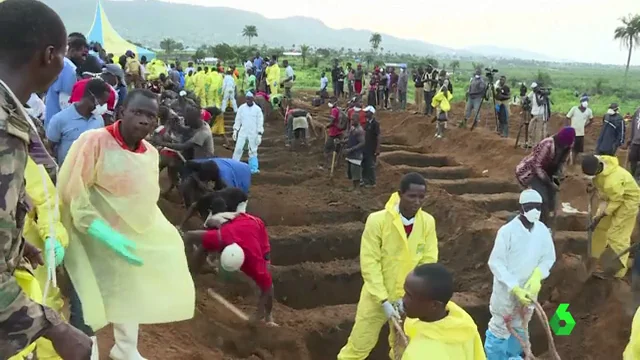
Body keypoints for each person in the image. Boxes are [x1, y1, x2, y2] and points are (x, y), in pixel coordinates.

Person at [58, 89, 195, 359]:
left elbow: (143, 201)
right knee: (86, 296)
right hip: (88, 235)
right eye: (138, 112)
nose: (144, 120)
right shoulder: (94, 141)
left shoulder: (150, 155)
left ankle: (125, 348)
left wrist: (160, 236)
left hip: (124, 235)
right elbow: (73, 192)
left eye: (151, 116)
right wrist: (100, 231)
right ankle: (87, 351)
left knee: (128, 289)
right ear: (122, 112)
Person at [0, 1, 93, 358]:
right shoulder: (4, 130)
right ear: (49, 56)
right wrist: (52, 327)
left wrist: (16, 245)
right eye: (64, 57)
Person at [337, 173, 438, 359]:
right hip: (376, 298)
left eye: (421, 197)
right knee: (358, 346)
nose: (417, 202)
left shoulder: (427, 223)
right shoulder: (377, 221)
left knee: (403, 349)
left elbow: (428, 261)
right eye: (412, 196)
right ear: (400, 194)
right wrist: (383, 300)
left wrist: (412, 296)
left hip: (409, 300)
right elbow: (370, 262)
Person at [485, 189, 556, 360]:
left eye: (538, 207)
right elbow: (496, 262)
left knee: (520, 326)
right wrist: (514, 287)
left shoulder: (542, 231)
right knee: (500, 327)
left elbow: (548, 257)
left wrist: (537, 276)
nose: (535, 211)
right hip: (506, 293)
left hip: (529, 291)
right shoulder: (507, 232)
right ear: (521, 208)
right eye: (530, 207)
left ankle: (514, 356)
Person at [183, 199, 275, 325]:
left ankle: (269, 317)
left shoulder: (253, 262)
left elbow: (268, 287)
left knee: (266, 275)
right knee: (204, 244)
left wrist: (258, 313)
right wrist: (183, 263)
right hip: (238, 219)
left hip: (257, 226)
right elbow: (188, 235)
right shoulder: (220, 237)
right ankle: (191, 274)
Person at [402, 263, 485, 360]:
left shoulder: (418, 353)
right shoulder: (464, 324)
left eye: (410, 296)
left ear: (434, 305)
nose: (403, 299)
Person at [582, 154, 640, 278]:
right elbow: (605, 198)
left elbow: (615, 201)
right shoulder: (599, 160)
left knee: (618, 236)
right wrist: (597, 217)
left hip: (627, 201)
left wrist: (603, 213)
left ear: (597, 170)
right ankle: (595, 259)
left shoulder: (612, 182)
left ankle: (617, 272)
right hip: (613, 197)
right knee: (600, 227)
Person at [515, 127, 575, 226]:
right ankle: (535, 224)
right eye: (563, 144)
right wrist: (549, 183)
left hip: (548, 173)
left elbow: (562, 163)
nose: (564, 147)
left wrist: (559, 176)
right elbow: (536, 166)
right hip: (532, 173)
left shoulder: (568, 146)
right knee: (541, 199)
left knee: (552, 200)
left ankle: (547, 224)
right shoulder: (547, 144)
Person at [47, 78, 110, 164]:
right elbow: (49, 148)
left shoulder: (99, 120)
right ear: (91, 97)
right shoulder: (60, 119)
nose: (103, 106)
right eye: (102, 102)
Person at [45, 36, 86, 126]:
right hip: (60, 125)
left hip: (51, 118)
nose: (84, 58)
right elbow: (64, 102)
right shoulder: (68, 69)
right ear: (72, 51)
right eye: (82, 54)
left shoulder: (60, 64)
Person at [232, 91, 264, 174]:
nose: (248, 101)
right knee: (238, 149)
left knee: (253, 150)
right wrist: (235, 130)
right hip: (243, 132)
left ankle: (253, 168)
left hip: (253, 133)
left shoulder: (257, 110)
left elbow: (260, 122)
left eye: (250, 99)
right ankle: (234, 166)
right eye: (247, 99)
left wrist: (259, 134)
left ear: (253, 99)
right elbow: (238, 120)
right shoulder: (242, 108)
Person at [565, 96, 593, 165]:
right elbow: (567, 117)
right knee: (571, 148)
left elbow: (591, 120)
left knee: (577, 149)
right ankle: (570, 162)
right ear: (581, 102)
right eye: (584, 101)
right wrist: (568, 127)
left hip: (581, 133)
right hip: (573, 132)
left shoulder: (589, 111)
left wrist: (585, 127)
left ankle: (572, 161)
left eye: (587, 101)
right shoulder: (574, 109)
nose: (586, 103)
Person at [344, 113, 366, 191]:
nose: (352, 121)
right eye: (351, 119)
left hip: (356, 154)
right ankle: (353, 187)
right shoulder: (353, 128)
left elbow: (362, 143)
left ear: (358, 120)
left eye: (353, 120)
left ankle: (357, 189)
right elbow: (350, 139)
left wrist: (351, 149)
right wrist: (343, 142)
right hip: (351, 154)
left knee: (356, 172)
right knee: (352, 172)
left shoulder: (360, 130)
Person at [323, 97, 346, 170]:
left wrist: (327, 126)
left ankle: (327, 165)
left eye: (330, 101)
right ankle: (337, 164)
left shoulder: (334, 110)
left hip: (333, 133)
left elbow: (332, 121)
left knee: (327, 149)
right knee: (338, 149)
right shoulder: (339, 110)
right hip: (339, 132)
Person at [362, 106, 380, 187]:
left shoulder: (375, 124)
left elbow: (378, 136)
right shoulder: (367, 123)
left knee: (370, 165)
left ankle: (372, 182)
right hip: (365, 147)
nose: (365, 113)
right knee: (365, 164)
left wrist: (377, 149)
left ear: (371, 113)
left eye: (367, 112)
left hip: (372, 148)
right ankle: (365, 180)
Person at [627, 106, 640, 180]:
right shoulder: (637, 111)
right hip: (635, 141)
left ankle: (638, 176)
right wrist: (630, 138)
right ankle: (633, 174)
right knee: (632, 158)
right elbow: (633, 125)